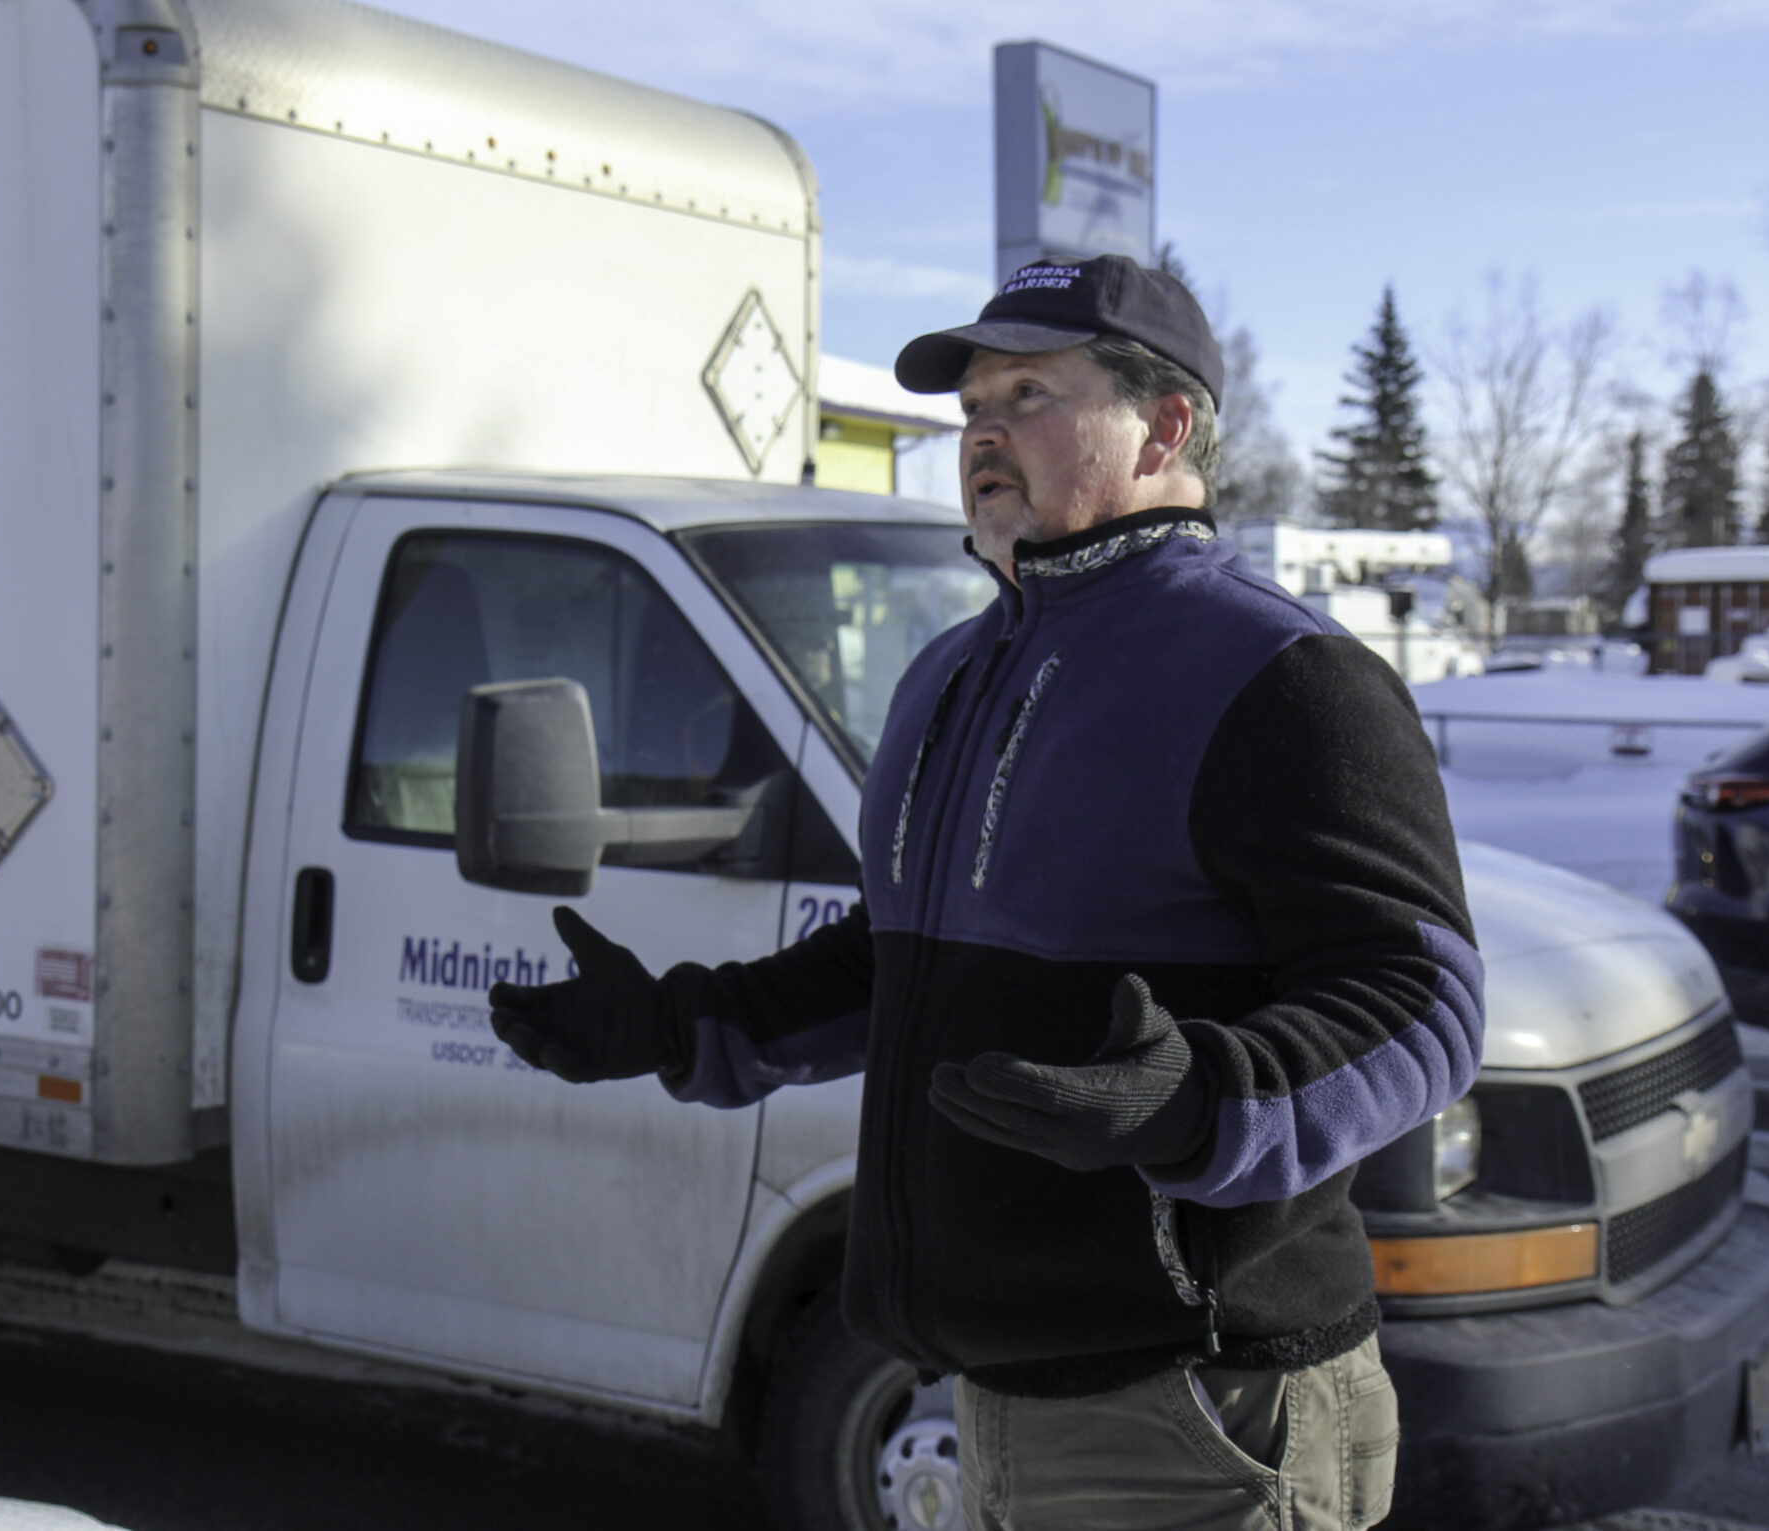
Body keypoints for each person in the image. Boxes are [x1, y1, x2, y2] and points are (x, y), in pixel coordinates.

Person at [490, 253, 1482, 1531]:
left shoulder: (1280, 675)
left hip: (1200, 1405)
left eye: (1025, 396)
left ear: (1165, 426)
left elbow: (1421, 1004)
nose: (982, 436)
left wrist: (1200, 1101)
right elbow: (897, 963)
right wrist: (681, 1023)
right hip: (992, 1398)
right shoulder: (956, 672)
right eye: (970, 411)